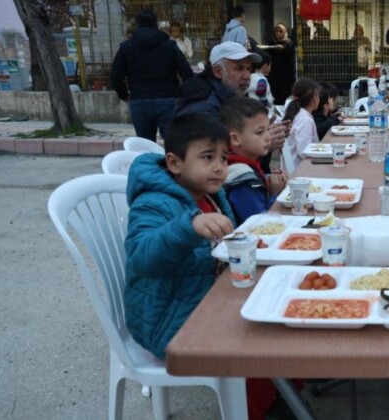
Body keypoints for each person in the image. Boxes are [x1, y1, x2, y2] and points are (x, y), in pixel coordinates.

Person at [124, 114, 297, 420]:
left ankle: (288, 386)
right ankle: (259, 408)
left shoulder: (209, 194)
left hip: (203, 297)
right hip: (168, 320)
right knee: (256, 334)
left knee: (282, 299)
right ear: (175, 163)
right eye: (207, 158)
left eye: (222, 158)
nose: (220, 167)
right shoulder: (154, 203)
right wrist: (187, 227)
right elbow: (141, 257)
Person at [175, 41, 290, 176]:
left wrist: (260, 134)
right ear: (218, 71)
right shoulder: (203, 104)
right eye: (239, 68)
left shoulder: (228, 96)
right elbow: (207, 159)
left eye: (248, 69)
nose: (247, 75)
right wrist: (258, 143)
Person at [110, 9, 193, 141]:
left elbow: (116, 76)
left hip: (139, 98)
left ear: (137, 25)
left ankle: (148, 162)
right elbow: (187, 73)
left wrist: (124, 95)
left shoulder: (126, 47)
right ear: (156, 25)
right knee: (173, 143)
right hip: (167, 98)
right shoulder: (169, 45)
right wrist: (183, 95)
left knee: (145, 145)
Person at [220, 97, 287, 224]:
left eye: (268, 129)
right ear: (235, 139)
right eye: (260, 132)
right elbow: (261, 224)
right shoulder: (242, 180)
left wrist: (269, 180)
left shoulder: (247, 163)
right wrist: (275, 193)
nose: (268, 137)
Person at [282, 78, 321, 170]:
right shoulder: (305, 120)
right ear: (314, 98)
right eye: (318, 95)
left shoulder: (298, 114)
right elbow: (304, 151)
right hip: (301, 170)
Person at [266, 23, 296, 105]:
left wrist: (283, 48)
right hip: (274, 75)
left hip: (286, 75)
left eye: (280, 31)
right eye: (276, 31)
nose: (278, 33)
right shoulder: (272, 43)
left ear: (285, 32)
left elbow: (290, 53)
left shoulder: (289, 43)